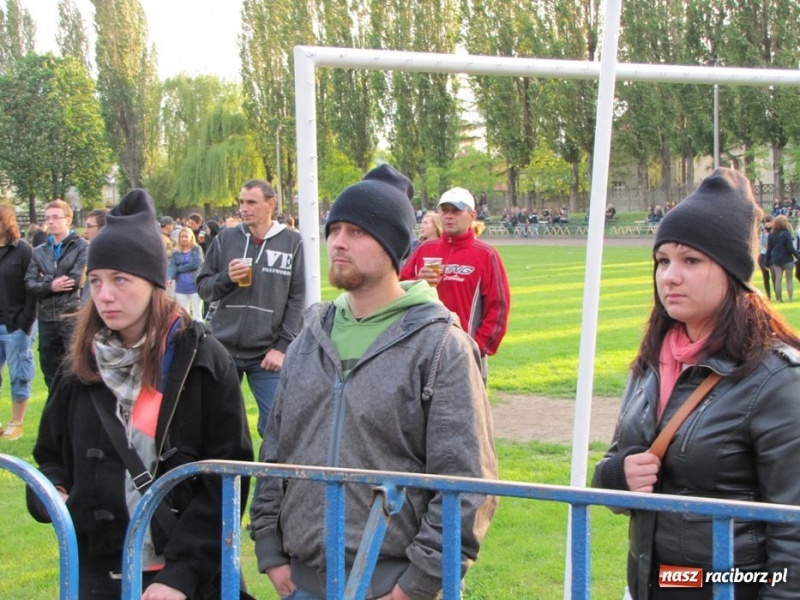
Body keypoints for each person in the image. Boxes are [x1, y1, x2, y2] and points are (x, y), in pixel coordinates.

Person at [250, 164, 497, 600]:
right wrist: (269, 547)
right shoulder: (310, 336)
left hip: (389, 585)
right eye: (335, 229)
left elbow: (466, 481)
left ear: (392, 245)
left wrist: (414, 586)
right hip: (302, 582)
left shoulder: (440, 345)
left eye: (358, 232)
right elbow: (276, 450)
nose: (338, 242)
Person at [27, 189, 254, 600]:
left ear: (154, 284)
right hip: (98, 575)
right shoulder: (80, 363)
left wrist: (182, 575)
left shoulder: (202, 359)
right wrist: (52, 490)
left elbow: (227, 477)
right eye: (95, 281)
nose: (105, 295)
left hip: (184, 581)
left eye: (120, 280)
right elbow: (50, 454)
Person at [593, 168, 800, 600]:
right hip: (650, 585)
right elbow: (614, 469)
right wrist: (619, 474)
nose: (669, 276)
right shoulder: (652, 360)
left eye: (691, 260)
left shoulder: (778, 378)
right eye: (663, 260)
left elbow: (794, 532)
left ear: (732, 272)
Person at [197, 180, 305, 436]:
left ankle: (271, 478)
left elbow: (297, 297)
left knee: (275, 429)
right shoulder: (225, 238)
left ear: (270, 204)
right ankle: (229, 478)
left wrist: (282, 347)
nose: (243, 208)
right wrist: (226, 277)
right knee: (218, 427)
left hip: (266, 354)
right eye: (241, 202)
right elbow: (203, 287)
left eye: (251, 202)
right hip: (223, 349)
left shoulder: (292, 242)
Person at [400, 186, 511, 377]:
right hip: (421, 354)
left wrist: (475, 347)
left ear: (472, 215)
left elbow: (498, 307)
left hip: (465, 356)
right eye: (445, 210)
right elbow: (396, 293)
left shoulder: (486, 255)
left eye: (456, 211)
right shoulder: (424, 250)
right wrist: (418, 281)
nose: (449, 216)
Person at [25, 199, 89, 391]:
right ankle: (57, 414)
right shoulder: (39, 251)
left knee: (75, 369)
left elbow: (75, 280)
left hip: (71, 316)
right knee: (50, 372)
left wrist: (44, 280)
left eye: (55, 217)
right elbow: (29, 283)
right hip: (46, 319)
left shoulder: (82, 247)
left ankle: (75, 414)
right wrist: (51, 285)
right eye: (47, 218)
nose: (50, 222)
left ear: (68, 219)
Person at [0, 205, 36, 440]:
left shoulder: (23, 251)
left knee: (19, 374)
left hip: (15, 326)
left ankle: (16, 422)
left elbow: (31, 289)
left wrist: (25, 323)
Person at [168, 227, 204, 321]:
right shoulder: (176, 251)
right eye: (182, 237)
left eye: (186, 236)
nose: (184, 239)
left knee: (197, 314)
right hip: (181, 286)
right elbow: (172, 265)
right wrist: (170, 277)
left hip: (194, 286)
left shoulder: (197, 249)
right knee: (183, 315)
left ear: (191, 237)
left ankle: (199, 334)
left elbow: (195, 264)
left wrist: (179, 268)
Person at [765, 214, 798, 302]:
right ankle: (790, 298)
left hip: (776, 259)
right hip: (787, 258)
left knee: (778, 279)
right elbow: (790, 248)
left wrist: (766, 262)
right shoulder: (787, 233)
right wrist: (797, 255)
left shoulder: (771, 234)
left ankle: (779, 299)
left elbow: (769, 249)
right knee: (789, 279)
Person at [757, 214, 773, 300]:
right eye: (766, 222)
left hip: (772, 255)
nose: (767, 224)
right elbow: (762, 245)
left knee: (775, 276)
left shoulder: (774, 231)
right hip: (764, 254)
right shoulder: (764, 233)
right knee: (765, 276)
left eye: (769, 221)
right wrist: (763, 235)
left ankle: (777, 294)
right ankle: (768, 295)